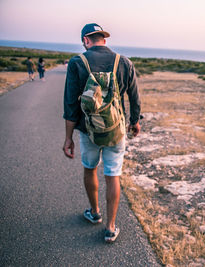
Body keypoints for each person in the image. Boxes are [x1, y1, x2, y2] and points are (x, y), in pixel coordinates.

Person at [62, 23, 141, 243]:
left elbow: (70, 104)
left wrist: (68, 137)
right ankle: (110, 227)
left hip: (88, 130)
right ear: (103, 40)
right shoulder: (124, 62)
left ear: (86, 41)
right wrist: (134, 122)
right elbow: (135, 98)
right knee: (112, 175)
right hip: (116, 129)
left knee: (90, 168)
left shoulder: (78, 62)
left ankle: (95, 212)